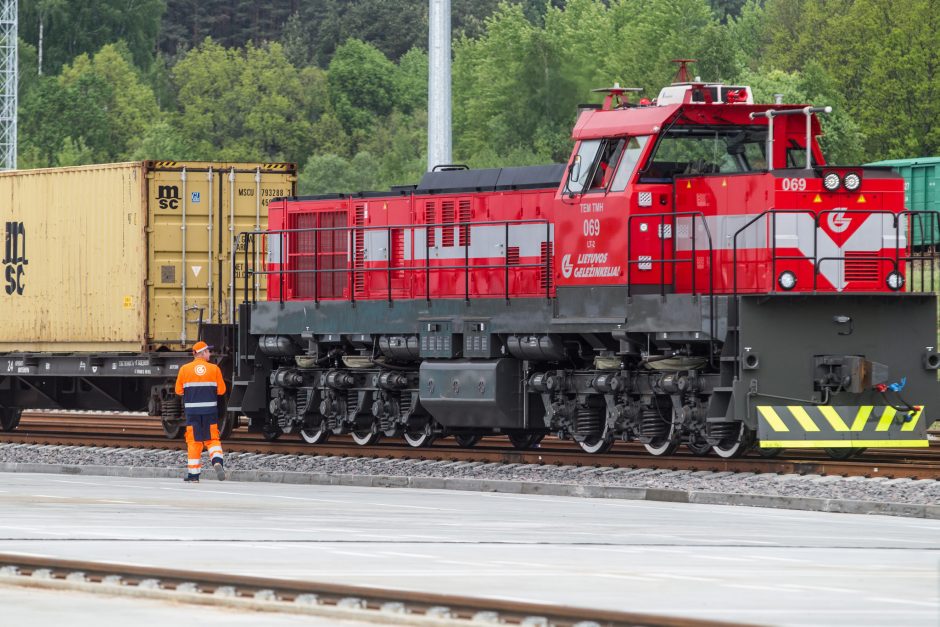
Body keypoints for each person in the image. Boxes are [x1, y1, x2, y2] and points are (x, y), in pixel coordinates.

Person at [175, 341, 227, 482]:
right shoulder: (214, 369)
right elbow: (222, 390)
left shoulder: (184, 369)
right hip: (210, 411)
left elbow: (178, 391)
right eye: (208, 351)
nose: (210, 353)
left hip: (192, 413)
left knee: (194, 442)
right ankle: (217, 462)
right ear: (202, 353)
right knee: (212, 439)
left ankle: (194, 476)